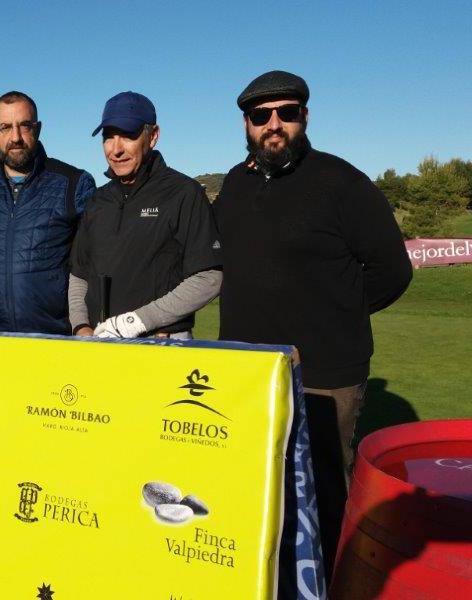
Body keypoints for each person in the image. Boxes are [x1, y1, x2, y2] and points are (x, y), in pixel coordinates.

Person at [213, 71, 413, 580]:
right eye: (262, 116)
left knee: (324, 493)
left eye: (287, 112)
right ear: (247, 124)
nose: (274, 124)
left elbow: (392, 271)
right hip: (251, 375)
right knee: (260, 486)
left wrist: (335, 313)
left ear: (304, 116)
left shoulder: (341, 182)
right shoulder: (234, 185)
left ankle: (330, 584)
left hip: (328, 373)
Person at [69, 91, 222, 339]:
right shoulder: (98, 200)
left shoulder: (183, 193)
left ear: (153, 136)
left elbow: (209, 277)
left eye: (128, 135)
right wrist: (81, 327)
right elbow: (79, 274)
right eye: (109, 138)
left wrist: (136, 322)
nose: (116, 149)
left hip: (162, 342)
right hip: (100, 342)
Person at [0, 91, 96, 334]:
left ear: (38, 128)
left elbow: (102, 259)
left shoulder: (73, 183)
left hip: (56, 336)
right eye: (5, 127)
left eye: (24, 126)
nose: (16, 137)